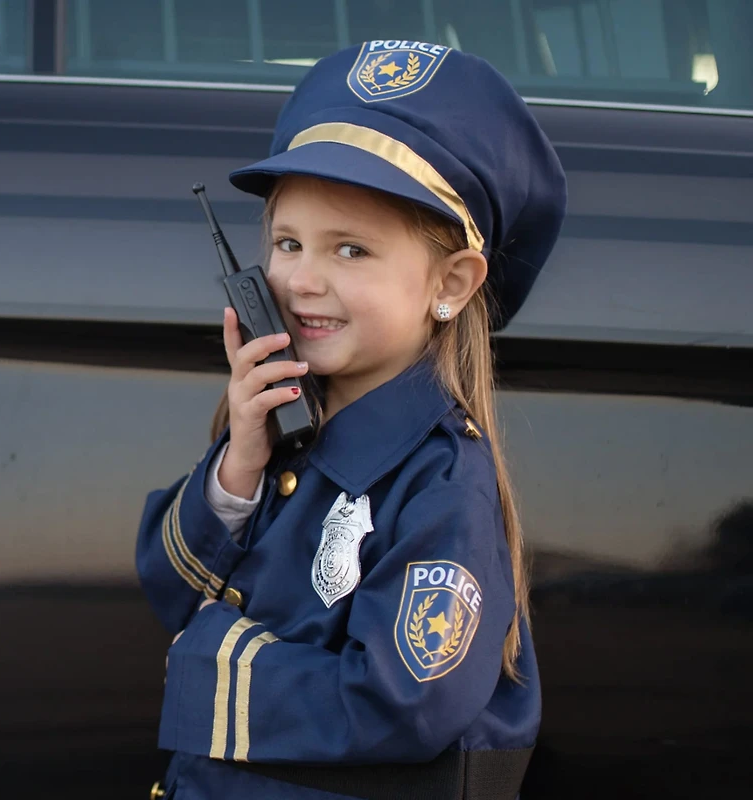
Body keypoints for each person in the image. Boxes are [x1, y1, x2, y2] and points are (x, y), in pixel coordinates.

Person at [137, 38, 566, 800]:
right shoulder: (280, 428)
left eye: (351, 250)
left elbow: (404, 700)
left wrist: (209, 667)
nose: (303, 278)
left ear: (453, 284)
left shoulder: (441, 483)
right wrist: (239, 462)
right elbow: (172, 586)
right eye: (288, 242)